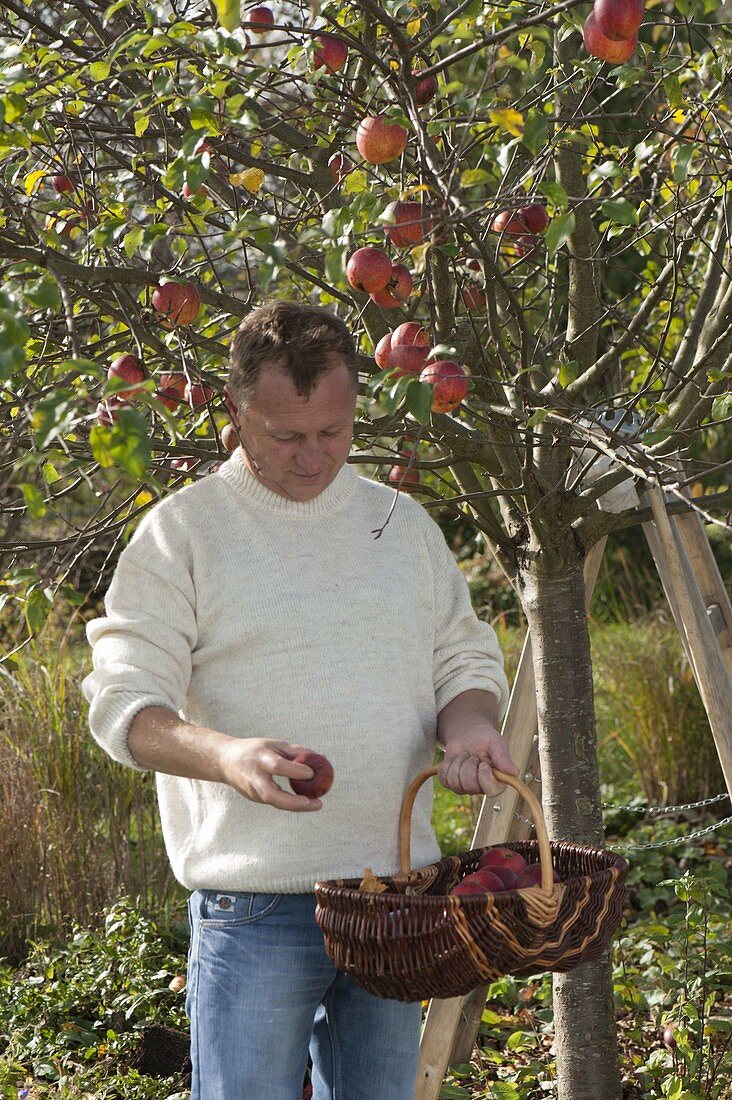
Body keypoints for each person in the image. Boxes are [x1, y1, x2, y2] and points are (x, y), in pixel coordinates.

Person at [82, 300, 515, 1100]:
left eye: (333, 433)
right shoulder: (183, 534)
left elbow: (461, 657)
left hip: (396, 901)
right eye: (286, 437)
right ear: (238, 412)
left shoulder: (399, 523)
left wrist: (472, 725)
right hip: (256, 910)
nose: (313, 458)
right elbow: (121, 702)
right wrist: (226, 756)